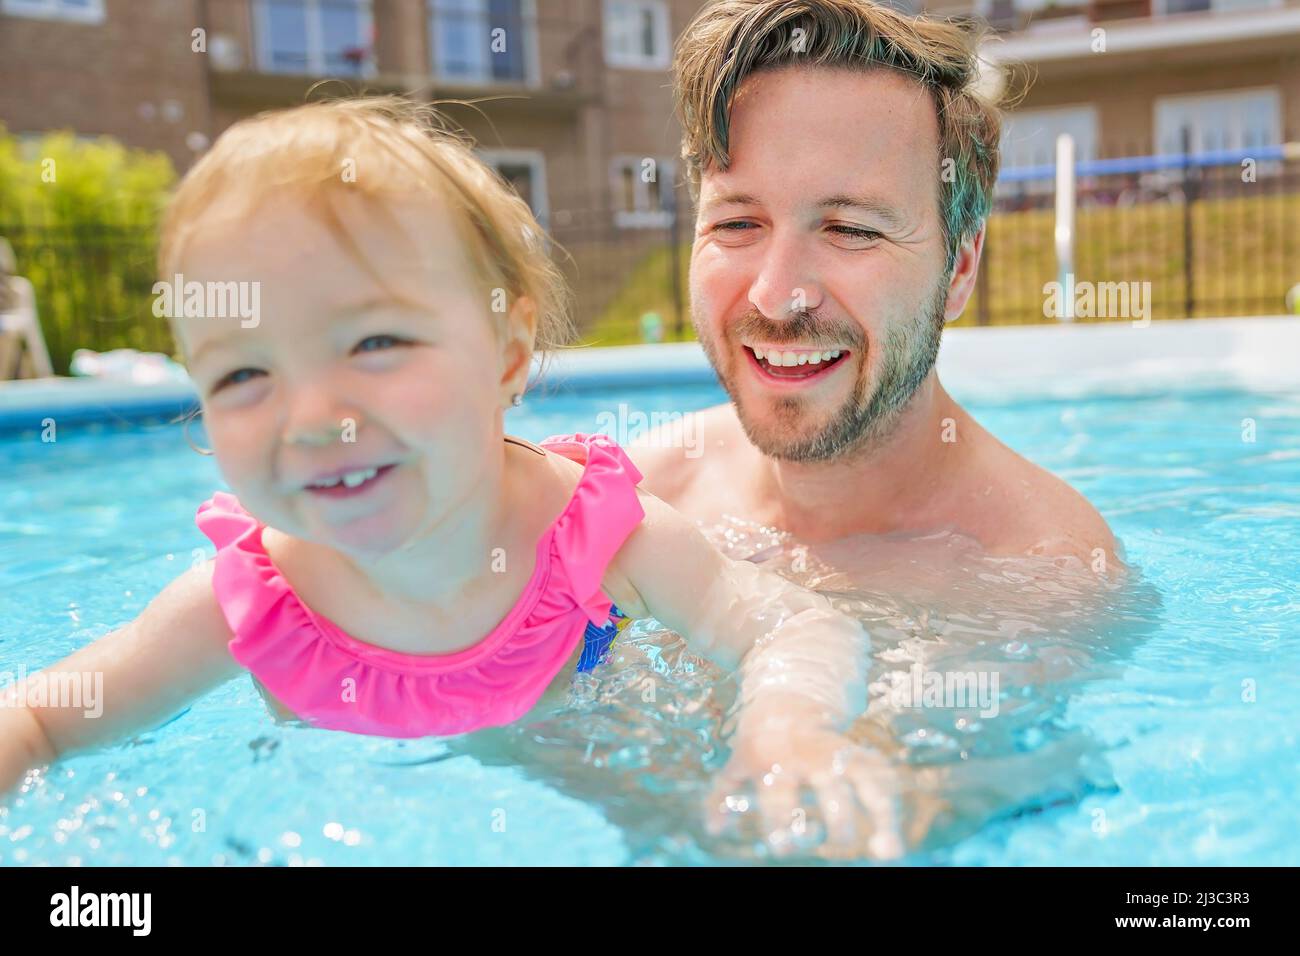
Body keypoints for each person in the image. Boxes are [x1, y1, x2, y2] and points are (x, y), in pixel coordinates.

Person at [0, 98, 900, 858]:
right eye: (242, 375)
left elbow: (788, 625)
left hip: (589, 774)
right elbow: (41, 720)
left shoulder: (598, 537)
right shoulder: (245, 604)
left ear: (508, 353)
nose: (314, 417)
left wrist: (786, 729)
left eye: (375, 343)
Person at [632, 0, 1117, 570]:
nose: (777, 294)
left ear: (959, 267)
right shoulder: (638, 505)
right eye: (737, 223)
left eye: (851, 229)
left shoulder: (1044, 575)